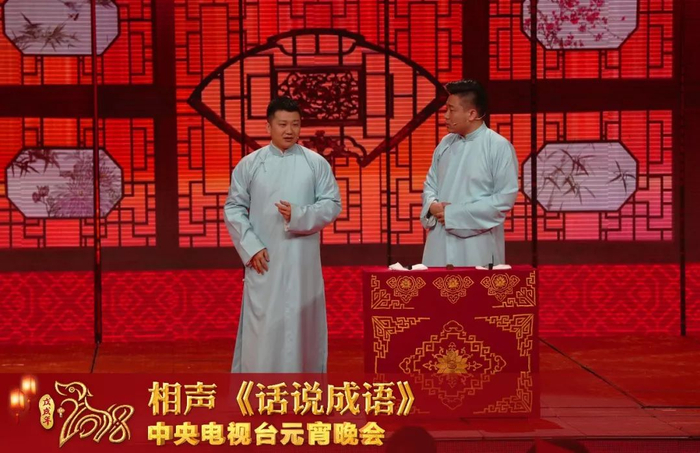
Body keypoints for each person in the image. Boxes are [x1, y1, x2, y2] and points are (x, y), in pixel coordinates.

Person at [223, 96, 341, 372]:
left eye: (295, 124)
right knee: (263, 328)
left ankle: (302, 389)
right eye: (283, 124)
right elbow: (234, 207)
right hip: (264, 260)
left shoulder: (316, 163)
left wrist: (299, 215)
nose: (289, 130)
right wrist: (251, 247)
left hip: (302, 262)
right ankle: (260, 390)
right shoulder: (250, 164)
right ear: (269, 127)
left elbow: (332, 204)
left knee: (302, 327)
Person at [421, 79, 519, 267]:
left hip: (477, 244)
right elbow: (430, 184)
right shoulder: (445, 144)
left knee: (474, 285)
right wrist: (432, 206)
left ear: (472, 114)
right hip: (439, 240)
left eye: (451, 110)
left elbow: (504, 199)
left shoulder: (498, 146)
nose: (445, 116)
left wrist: (454, 214)